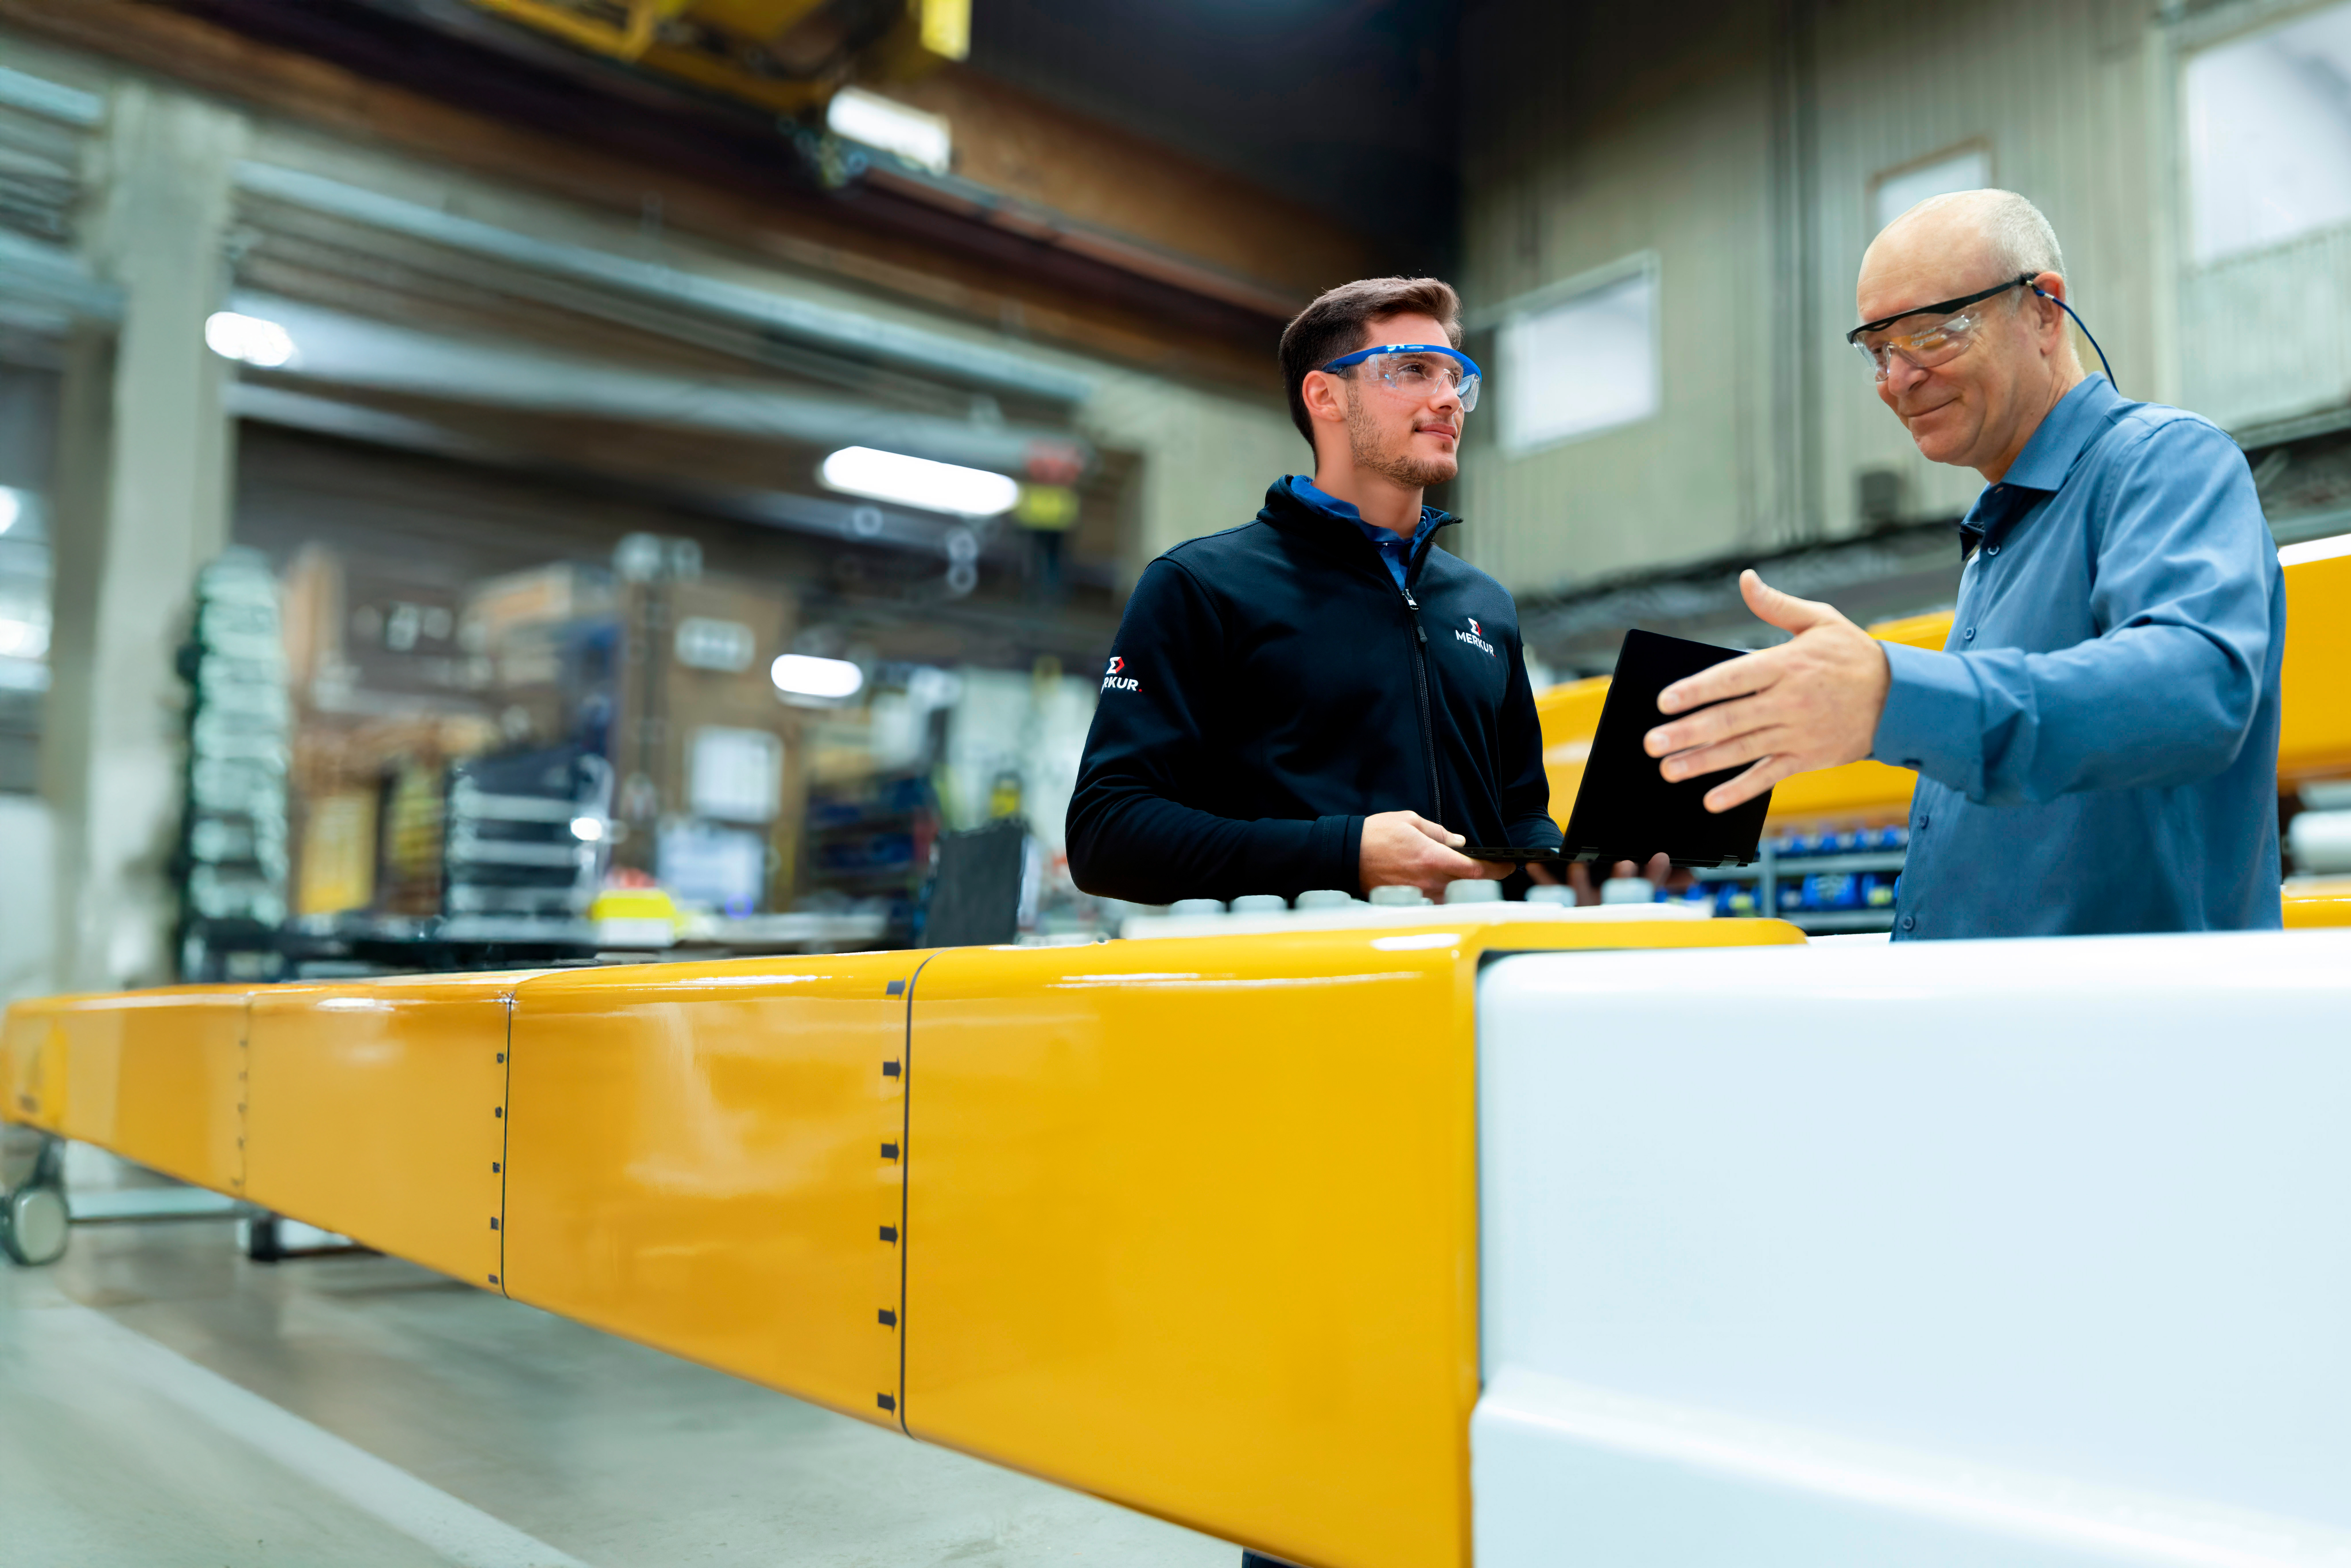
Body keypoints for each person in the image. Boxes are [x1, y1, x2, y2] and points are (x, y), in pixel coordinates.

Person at [1640, 189, 2285, 938]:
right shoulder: (2000, 538)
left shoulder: (2164, 461)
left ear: (2044, 309)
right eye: (1878, 349)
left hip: (2120, 1034)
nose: (1897, 380)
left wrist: (1893, 697)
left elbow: (2195, 691)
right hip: (1997, 1032)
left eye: (1933, 334)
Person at [1066, 275, 1666, 911]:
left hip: (1463, 986)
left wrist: (1578, 868)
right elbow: (1108, 835)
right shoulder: (1201, 586)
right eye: (1412, 370)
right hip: (1292, 989)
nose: (1448, 400)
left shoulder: (1484, 606)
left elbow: (1518, 820)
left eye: (1455, 377)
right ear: (1326, 395)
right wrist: (1346, 853)